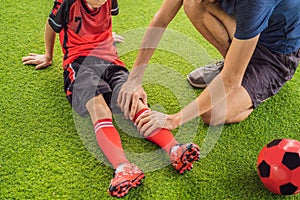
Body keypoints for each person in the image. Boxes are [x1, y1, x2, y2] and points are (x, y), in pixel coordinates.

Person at [21, 0, 200, 198]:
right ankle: (123, 168)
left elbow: (103, 21)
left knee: (133, 101)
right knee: (100, 109)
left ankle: (175, 149)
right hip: (79, 63)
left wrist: (104, 37)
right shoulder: (66, 3)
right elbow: (51, 25)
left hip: (111, 60)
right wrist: (48, 55)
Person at [117, 0, 300, 136]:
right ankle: (233, 60)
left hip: (275, 55)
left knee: (210, 113)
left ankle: (256, 91)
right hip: (247, 33)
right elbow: (161, 19)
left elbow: (230, 81)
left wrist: (173, 119)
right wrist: (134, 79)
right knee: (194, 3)